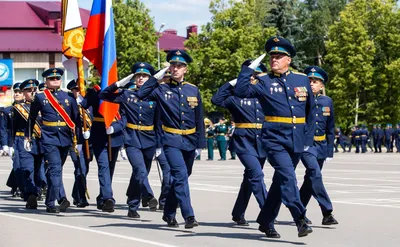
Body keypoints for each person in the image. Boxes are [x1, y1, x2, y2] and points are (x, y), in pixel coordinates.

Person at [234, 36, 315, 238]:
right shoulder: (263, 81)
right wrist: (247, 71)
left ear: (289, 59)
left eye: (279, 56)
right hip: (274, 139)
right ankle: (300, 219)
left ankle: (265, 221)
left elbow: (310, 111)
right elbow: (241, 91)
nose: (274, 60)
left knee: (280, 182)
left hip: (296, 139)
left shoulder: (301, 79)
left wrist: (307, 140)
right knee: (288, 177)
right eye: (272, 56)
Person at [137, 49, 206, 229]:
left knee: (181, 178)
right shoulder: (161, 88)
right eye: (173, 65)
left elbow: (199, 117)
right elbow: (141, 94)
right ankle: (189, 216)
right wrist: (155, 77)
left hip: (190, 140)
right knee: (180, 176)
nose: (175, 68)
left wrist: (200, 143)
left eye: (179, 66)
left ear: (186, 69)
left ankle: (168, 212)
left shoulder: (193, 89)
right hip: (171, 139)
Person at [99, 62, 161, 217]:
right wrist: (120, 83)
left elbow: (159, 122)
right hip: (132, 138)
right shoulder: (127, 94)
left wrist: (159, 144)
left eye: (144, 76)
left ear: (150, 78)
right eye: (138, 76)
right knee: (140, 170)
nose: (140, 78)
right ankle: (142, 200)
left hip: (149, 139)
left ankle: (132, 204)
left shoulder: (156, 95)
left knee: (140, 173)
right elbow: (103, 95)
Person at [211, 59, 269, 226]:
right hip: (244, 142)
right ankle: (267, 213)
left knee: (250, 178)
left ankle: (238, 213)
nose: (253, 78)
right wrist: (234, 81)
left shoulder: (265, 95)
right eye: (250, 75)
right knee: (257, 175)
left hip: (262, 141)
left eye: (256, 75)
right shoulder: (235, 97)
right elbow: (216, 99)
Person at [26, 68, 83, 213]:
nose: (55, 81)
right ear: (46, 81)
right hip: (49, 137)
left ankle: (49, 201)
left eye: (57, 78)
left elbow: (76, 120)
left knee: (55, 170)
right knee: (55, 169)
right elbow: (31, 118)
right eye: (52, 79)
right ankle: (56, 201)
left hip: (65, 138)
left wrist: (80, 140)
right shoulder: (40, 97)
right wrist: (29, 136)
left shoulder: (69, 97)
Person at [299, 66, 338, 225]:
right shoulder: (300, 99)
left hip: (321, 145)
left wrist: (329, 151)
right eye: (309, 81)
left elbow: (330, 127)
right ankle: (327, 212)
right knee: (315, 173)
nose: (312, 83)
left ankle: (298, 211)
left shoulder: (327, 101)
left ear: (322, 85)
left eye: (315, 81)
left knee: (310, 180)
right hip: (306, 146)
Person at [79, 77, 124, 213]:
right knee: (103, 167)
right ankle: (108, 198)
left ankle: (101, 197)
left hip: (114, 135)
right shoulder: (95, 91)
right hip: (99, 134)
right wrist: (84, 96)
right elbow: (84, 105)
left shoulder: (121, 92)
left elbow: (125, 115)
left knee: (110, 169)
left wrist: (115, 128)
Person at [66, 79, 94, 207]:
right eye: (76, 89)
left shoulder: (89, 104)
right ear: (72, 91)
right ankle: (81, 197)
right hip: (75, 141)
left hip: (89, 141)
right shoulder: (69, 104)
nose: (78, 92)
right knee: (80, 168)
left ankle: (76, 194)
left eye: (80, 89)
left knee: (85, 169)